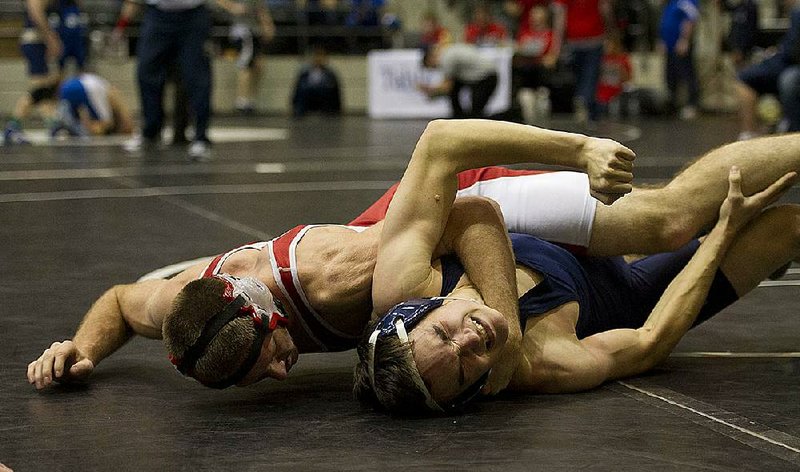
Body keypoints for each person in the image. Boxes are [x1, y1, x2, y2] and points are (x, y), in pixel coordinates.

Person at [26, 120, 800, 392]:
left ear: (263, 312)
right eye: (246, 382)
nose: (273, 373)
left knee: (666, 219)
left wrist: (580, 148)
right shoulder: (193, 303)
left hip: (468, 202)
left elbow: (466, 203)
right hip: (425, 230)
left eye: (262, 357)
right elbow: (126, 301)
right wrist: (79, 349)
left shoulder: (344, 281)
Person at [353, 127, 798, 414]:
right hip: (628, 292)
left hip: (548, 235)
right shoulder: (544, 365)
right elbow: (650, 341)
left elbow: (476, 212)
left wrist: (507, 315)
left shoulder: (408, 285)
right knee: (785, 228)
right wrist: (723, 230)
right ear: (478, 391)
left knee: (672, 219)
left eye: (444, 335)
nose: (471, 340)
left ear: (421, 311)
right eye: (466, 369)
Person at [115, 0, 214, 161]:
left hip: (192, 16)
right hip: (158, 16)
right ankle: (151, 132)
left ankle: (201, 138)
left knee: (197, 77)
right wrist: (121, 25)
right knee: (146, 71)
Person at [3, 0, 86, 145]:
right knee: (40, 89)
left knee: (47, 90)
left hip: (39, 41)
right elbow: (34, 9)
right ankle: (14, 125)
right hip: (36, 41)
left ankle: (53, 125)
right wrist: (50, 38)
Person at [735, 1, 800, 139]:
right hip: (788, 61)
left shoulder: (797, 12)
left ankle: (792, 132)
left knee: (788, 80)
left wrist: (772, 58)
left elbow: (791, 53)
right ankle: (752, 132)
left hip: (790, 64)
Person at [551, 0, 613, 123]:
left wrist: (556, 46)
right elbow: (605, 10)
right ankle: (586, 102)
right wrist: (611, 33)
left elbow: (560, 17)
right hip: (594, 38)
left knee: (578, 76)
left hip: (574, 39)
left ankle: (582, 100)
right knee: (591, 76)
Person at [216, 0, 275, 115]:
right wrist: (232, 6)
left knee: (259, 66)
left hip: (254, 29)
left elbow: (261, 8)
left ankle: (250, 100)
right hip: (244, 30)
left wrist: (267, 24)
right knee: (246, 64)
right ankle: (242, 102)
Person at [420, 42, 499, 118]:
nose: (435, 69)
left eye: (431, 67)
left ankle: (463, 119)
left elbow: (447, 87)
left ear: (430, 59)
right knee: (457, 89)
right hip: (487, 75)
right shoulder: (449, 51)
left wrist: (430, 90)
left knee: (476, 112)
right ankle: (460, 117)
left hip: (485, 78)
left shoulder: (446, 59)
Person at [50, 73, 135, 137]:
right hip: (82, 88)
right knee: (104, 124)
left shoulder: (102, 87)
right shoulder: (104, 92)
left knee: (71, 123)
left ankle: (56, 130)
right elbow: (107, 123)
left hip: (68, 87)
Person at [659, 0, 701, 120]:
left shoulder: (686, 2)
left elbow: (690, 19)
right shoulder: (671, 3)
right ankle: (672, 105)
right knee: (670, 76)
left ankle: (692, 105)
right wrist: (662, 40)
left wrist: (684, 40)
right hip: (670, 45)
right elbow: (666, 22)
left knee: (687, 74)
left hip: (680, 45)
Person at [291, 46, 342, 118]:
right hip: (309, 93)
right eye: (316, 56)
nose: (318, 59)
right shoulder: (305, 73)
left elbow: (336, 89)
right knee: (303, 89)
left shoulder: (330, 73)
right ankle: (299, 110)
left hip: (323, 93)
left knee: (326, 90)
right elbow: (298, 87)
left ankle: (328, 111)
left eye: (321, 57)